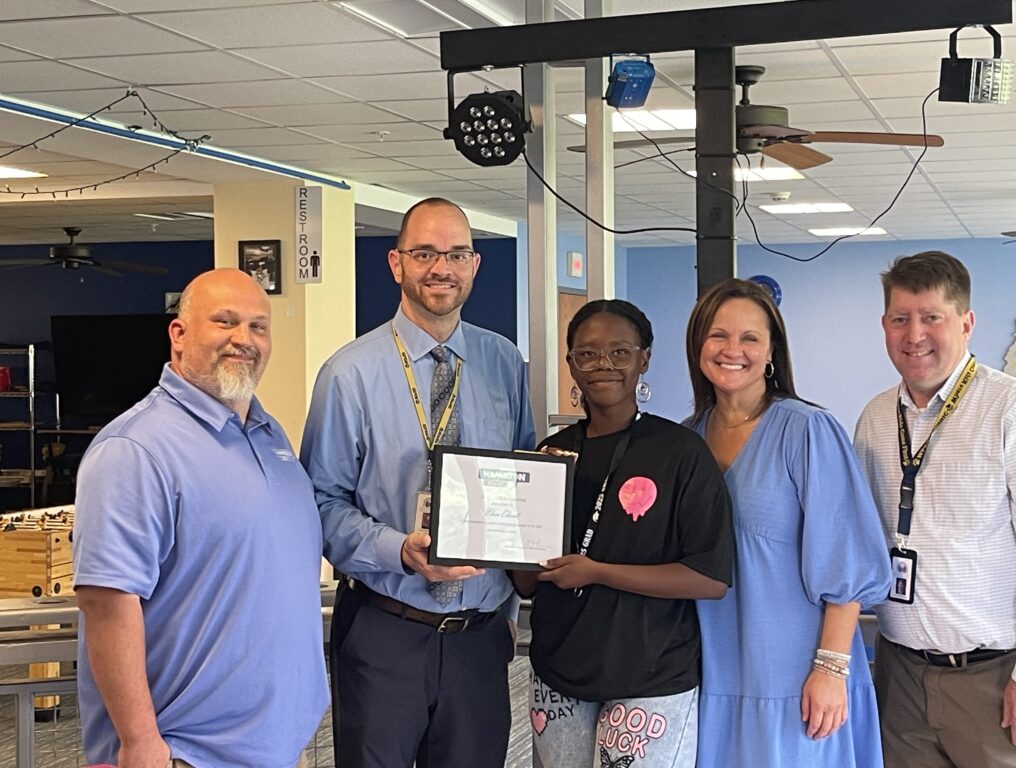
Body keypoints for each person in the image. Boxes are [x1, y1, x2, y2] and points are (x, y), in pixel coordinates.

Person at [300, 197, 535, 768]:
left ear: (474, 265)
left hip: (479, 636)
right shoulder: (349, 374)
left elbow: (520, 487)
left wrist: (507, 615)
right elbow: (319, 503)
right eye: (424, 253)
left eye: (456, 254)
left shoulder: (503, 362)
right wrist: (398, 550)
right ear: (396, 263)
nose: (441, 268)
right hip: (385, 631)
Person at [73, 268, 328, 768]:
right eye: (224, 322)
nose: (244, 339)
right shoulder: (134, 449)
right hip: (186, 753)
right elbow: (106, 604)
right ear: (179, 334)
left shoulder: (270, 435)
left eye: (258, 326)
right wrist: (140, 743)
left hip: (278, 748)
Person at [515, 299, 734, 768]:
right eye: (587, 353)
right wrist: (507, 516)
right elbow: (526, 581)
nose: (603, 364)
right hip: (558, 671)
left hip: (651, 675)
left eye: (620, 352)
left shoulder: (680, 452)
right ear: (571, 363)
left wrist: (597, 572)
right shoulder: (549, 455)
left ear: (644, 359)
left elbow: (710, 577)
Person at [684, 278, 891, 768]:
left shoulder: (808, 430)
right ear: (697, 345)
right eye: (718, 335)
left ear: (772, 350)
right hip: (710, 676)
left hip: (798, 681)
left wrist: (831, 670)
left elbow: (847, 563)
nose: (732, 350)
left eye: (750, 338)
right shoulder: (685, 440)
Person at [853, 251, 1016, 767]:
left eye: (932, 317)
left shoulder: (1010, 410)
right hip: (899, 676)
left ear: (966, 323)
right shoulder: (875, 418)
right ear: (884, 325)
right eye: (900, 319)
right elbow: (855, 538)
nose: (915, 335)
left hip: (993, 680)